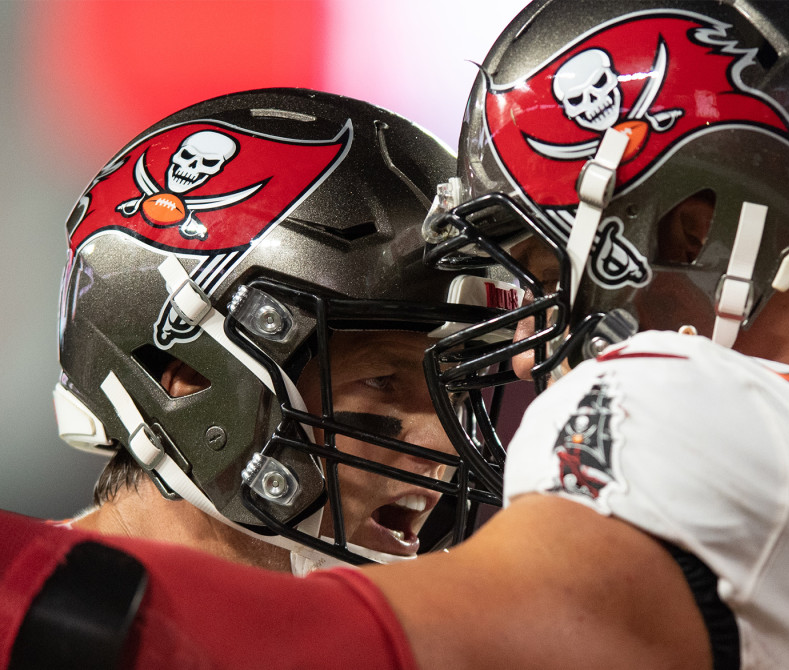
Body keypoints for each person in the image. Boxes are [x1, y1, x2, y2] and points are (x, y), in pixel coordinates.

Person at [0, 2, 789, 669]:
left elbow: (293, 649)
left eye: (542, 252)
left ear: (690, 217)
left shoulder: (685, 413)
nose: (536, 319)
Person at [48, 88, 513, 571]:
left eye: (455, 393)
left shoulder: (368, 641)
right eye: (381, 381)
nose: (449, 445)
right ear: (190, 378)